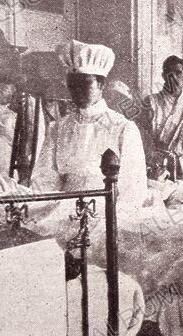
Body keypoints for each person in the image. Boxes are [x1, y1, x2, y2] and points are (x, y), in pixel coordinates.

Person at [33, 39, 148, 212]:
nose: (76, 90)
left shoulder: (123, 128)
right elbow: (44, 181)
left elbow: (133, 191)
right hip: (63, 211)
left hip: (106, 214)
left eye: (85, 83)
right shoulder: (58, 128)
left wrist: (110, 223)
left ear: (101, 84)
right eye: (72, 84)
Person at [140, 56, 183, 181]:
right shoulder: (152, 102)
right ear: (163, 76)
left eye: (178, 73)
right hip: (158, 166)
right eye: (169, 73)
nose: (174, 77)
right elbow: (144, 139)